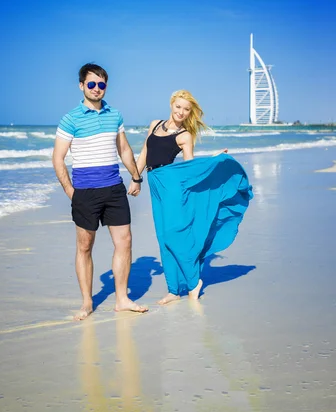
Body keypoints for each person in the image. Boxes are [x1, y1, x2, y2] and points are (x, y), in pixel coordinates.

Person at [134, 90, 253, 306]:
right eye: (178, 107)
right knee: (162, 237)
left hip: (172, 184)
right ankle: (173, 290)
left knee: (172, 234)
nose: (181, 112)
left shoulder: (184, 136)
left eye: (186, 109)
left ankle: (193, 281)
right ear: (171, 104)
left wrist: (215, 159)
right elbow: (144, 153)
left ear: (190, 113)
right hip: (154, 183)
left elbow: (190, 166)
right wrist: (136, 178)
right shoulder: (154, 124)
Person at [52, 63, 147, 320]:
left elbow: (124, 150)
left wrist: (136, 177)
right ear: (81, 85)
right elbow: (58, 158)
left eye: (101, 84)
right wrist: (71, 192)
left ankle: (122, 299)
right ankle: (86, 302)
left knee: (124, 242)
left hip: (114, 189)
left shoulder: (114, 115)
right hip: (85, 192)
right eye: (91, 84)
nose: (97, 89)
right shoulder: (70, 118)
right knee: (85, 246)